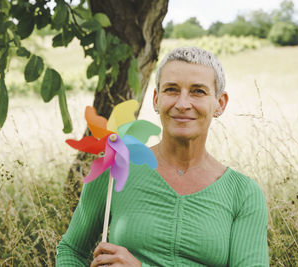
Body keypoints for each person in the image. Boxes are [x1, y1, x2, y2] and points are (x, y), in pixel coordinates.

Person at [56, 47, 269, 266]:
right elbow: (71, 250)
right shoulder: (115, 170)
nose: (182, 104)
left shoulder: (243, 194)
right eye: (171, 90)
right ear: (156, 99)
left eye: (198, 91)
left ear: (220, 104)